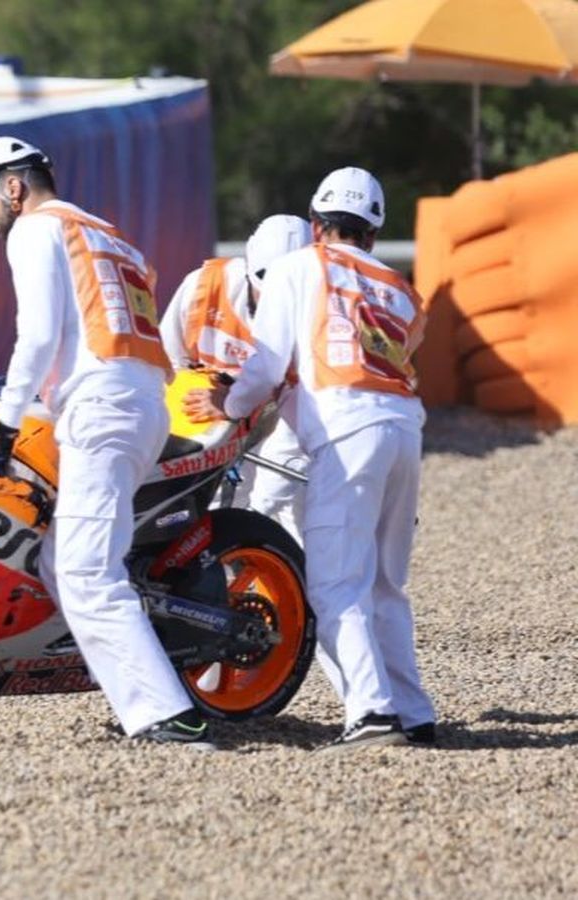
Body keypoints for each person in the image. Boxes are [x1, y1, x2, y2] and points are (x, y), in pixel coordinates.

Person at [0, 136, 215, 750]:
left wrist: (5, 423)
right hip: (141, 403)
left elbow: (40, 335)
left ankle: (168, 714)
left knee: (85, 571)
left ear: (11, 188)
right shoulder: (108, 233)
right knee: (57, 559)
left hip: (102, 408)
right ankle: (125, 671)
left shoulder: (34, 228)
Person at [184, 167, 436, 751]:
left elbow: (268, 363)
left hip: (347, 431)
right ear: (374, 233)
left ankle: (371, 714)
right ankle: (413, 712)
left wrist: (229, 400)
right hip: (404, 427)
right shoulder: (402, 290)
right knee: (385, 583)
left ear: (317, 225)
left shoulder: (302, 266)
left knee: (333, 582)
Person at [159, 214, 312, 538]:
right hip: (207, 408)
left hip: (281, 415)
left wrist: (234, 403)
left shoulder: (317, 309)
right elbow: (169, 362)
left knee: (284, 500)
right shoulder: (203, 286)